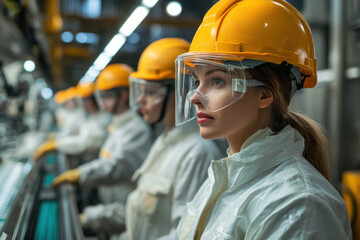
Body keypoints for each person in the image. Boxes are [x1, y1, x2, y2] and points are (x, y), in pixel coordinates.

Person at [174, 0, 352, 239]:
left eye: (217, 81)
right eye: (197, 82)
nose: (195, 96)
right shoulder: (224, 178)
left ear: (266, 93)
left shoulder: (299, 205)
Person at [119, 38, 226, 240]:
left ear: (182, 92)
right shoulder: (163, 141)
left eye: (150, 92)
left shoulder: (197, 153)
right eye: (141, 91)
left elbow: (183, 235)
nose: (141, 99)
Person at [51, 64, 153, 236]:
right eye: (100, 97)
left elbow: (115, 166)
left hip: (124, 211)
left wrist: (80, 175)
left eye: (106, 96)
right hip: (110, 204)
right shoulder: (118, 124)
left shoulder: (137, 130)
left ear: (123, 95)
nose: (101, 103)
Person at [32, 81, 111, 162]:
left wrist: (56, 144)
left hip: (94, 159)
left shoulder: (102, 120)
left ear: (90, 101)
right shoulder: (92, 117)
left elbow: (82, 143)